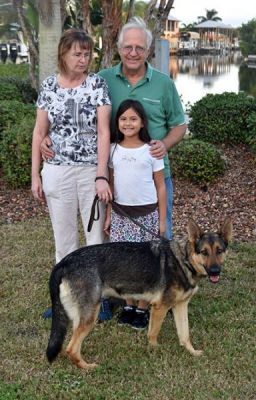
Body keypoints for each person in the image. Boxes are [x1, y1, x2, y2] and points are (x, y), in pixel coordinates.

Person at [40, 17, 187, 241]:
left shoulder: (164, 83)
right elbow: (75, 114)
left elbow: (180, 125)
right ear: (119, 48)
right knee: (116, 242)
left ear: (148, 50)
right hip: (116, 174)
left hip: (155, 173)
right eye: (128, 47)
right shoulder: (101, 80)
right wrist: (48, 136)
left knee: (159, 241)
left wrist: (165, 144)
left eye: (139, 47)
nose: (133, 53)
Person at [31, 28, 112, 318]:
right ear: (63, 54)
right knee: (64, 240)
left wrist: (101, 174)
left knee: (94, 240)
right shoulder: (49, 86)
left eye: (87, 53)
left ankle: (98, 301)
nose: (83, 59)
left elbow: (104, 132)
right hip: (56, 171)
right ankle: (65, 300)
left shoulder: (97, 85)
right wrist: (35, 175)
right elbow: (40, 131)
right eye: (77, 53)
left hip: (90, 171)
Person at [104, 99, 166, 330]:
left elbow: (160, 186)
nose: (128, 123)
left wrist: (161, 220)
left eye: (133, 119)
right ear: (117, 122)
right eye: (123, 119)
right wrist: (109, 214)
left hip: (146, 215)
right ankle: (128, 305)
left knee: (145, 264)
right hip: (121, 215)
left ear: (142, 123)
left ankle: (142, 308)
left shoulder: (152, 150)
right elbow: (110, 183)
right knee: (123, 263)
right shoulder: (112, 149)